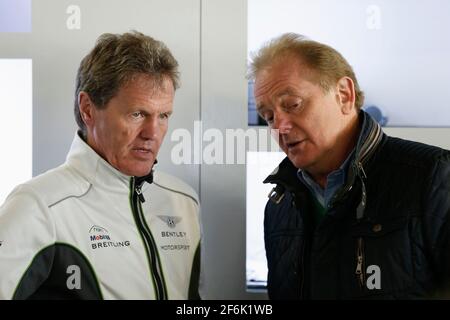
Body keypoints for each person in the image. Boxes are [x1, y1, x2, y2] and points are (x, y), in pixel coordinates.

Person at [0, 31, 202, 300]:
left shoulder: (184, 200)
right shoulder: (38, 206)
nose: (152, 132)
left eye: (163, 115)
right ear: (88, 109)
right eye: (137, 114)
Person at [249, 33, 450, 299]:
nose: (280, 127)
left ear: (344, 95)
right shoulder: (279, 206)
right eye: (269, 116)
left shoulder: (433, 176)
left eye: (293, 105)